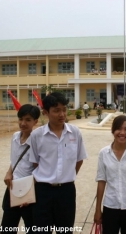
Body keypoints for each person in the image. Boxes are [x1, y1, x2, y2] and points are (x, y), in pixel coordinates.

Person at [29, 92, 87, 234]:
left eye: (64, 109)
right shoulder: (37, 135)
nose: (62, 114)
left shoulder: (75, 132)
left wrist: (66, 176)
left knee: (65, 230)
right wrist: (48, 175)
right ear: (45, 112)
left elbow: (79, 159)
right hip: (43, 191)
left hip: (66, 192)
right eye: (56, 110)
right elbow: (35, 162)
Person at [94, 115, 126, 234]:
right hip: (110, 206)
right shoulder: (104, 153)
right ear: (113, 130)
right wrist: (98, 210)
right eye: (119, 128)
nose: (122, 132)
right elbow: (101, 182)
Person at [1, 104, 40, 234]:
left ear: (36, 121)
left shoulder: (38, 141)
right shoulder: (15, 137)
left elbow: (40, 169)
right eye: (20, 119)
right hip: (12, 188)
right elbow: (14, 160)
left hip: (29, 190)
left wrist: (28, 192)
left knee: (32, 227)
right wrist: (8, 172)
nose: (23, 123)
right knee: (7, 227)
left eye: (28, 120)